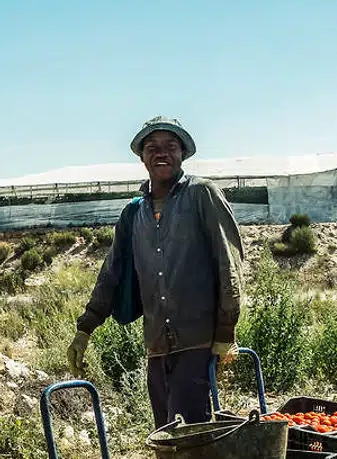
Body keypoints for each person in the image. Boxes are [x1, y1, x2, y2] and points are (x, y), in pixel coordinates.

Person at [68, 116, 245, 428]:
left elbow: (228, 263)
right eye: (152, 148)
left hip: (198, 341)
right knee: (164, 431)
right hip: (157, 344)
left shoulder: (202, 195)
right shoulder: (134, 213)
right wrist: (86, 328)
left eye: (170, 146)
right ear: (142, 157)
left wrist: (225, 331)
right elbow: (111, 273)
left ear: (183, 154)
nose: (161, 153)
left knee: (189, 431)